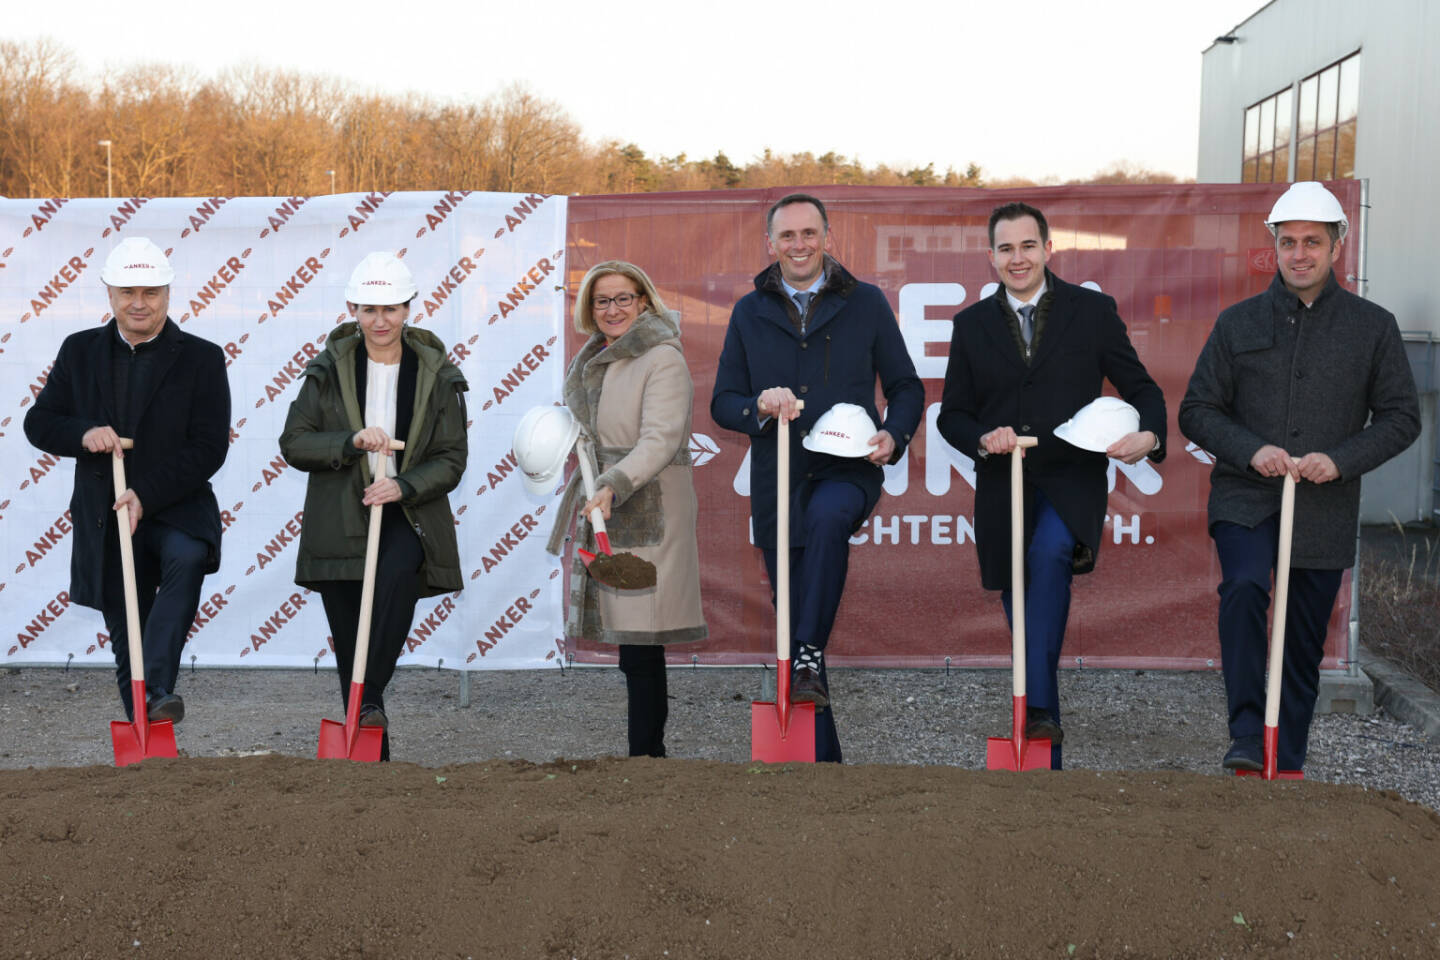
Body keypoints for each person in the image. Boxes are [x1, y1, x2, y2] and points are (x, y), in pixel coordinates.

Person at [1179, 181, 1419, 773]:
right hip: (1245, 496)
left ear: (1338, 244)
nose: (1300, 254)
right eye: (1288, 242)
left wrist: (1340, 459)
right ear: (1275, 247)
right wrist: (1251, 448)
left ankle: (1284, 758)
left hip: (1324, 507)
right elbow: (1197, 410)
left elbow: (1401, 417)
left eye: (1313, 241)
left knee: (1302, 639)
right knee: (1242, 590)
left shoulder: (1374, 327)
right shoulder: (1238, 324)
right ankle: (1243, 736)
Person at [937, 202, 1165, 761]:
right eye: (1007, 249)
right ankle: (1042, 731)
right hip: (1002, 482)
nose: (1019, 258)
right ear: (991, 257)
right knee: (1018, 589)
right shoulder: (970, 325)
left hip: (1072, 478)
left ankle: (1036, 708)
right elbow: (951, 415)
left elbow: (1144, 390)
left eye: (1028, 246)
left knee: (1048, 556)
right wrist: (983, 437)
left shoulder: (1092, 311)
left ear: (1048, 248)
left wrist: (1150, 437)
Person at [711, 193, 924, 763]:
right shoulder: (748, 311)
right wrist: (758, 404)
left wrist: (895, 434)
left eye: (809, 233)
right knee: (797, 606)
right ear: (770, 244)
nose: (799, 245)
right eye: (787, 236)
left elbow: (907, 386)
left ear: (828, 237)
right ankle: (819, 760)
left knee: (830, 521)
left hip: (846, 469)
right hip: (778, 477)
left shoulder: (868, 304)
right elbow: (722, 403)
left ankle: (805, 654)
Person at [24, 236, 230, 723]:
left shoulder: (202, 357)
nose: (139, 303)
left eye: (151, 292)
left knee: (188, 556)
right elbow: (39, 422)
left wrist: (146, 494)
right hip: (106, 515)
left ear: (167, 294)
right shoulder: (79, 351)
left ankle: (156, 685)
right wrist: (84, 432)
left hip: (176, 505)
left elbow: (209, 448)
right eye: (127, 292)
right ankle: (146, 737)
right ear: (110, 294)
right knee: (126, 631)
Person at [279, 251, 468, 761]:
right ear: (352, 309)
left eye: (390, 309)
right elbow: (294, 443)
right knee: (349, 633)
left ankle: (371, 699)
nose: (380, 321)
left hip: (407, 512)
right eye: (369, 310)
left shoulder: (437, 373)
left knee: (398, 579)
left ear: (409, 309)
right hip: (338, 515)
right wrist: (350, 441)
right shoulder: (326, 370)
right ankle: (369, 757)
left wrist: (403, 486)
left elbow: (452, 459)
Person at [543, 260, 707, 758]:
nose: (612, 309)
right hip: (607, 498)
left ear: (644, 301)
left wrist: (613, 483)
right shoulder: (599, 355)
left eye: (623, 298)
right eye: (601, 300)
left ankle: (648, 755)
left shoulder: (662, 357)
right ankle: (646, 754)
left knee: (642, 641)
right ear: (588, 310)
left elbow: (660, 439)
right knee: (633, 643)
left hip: (646, 501)